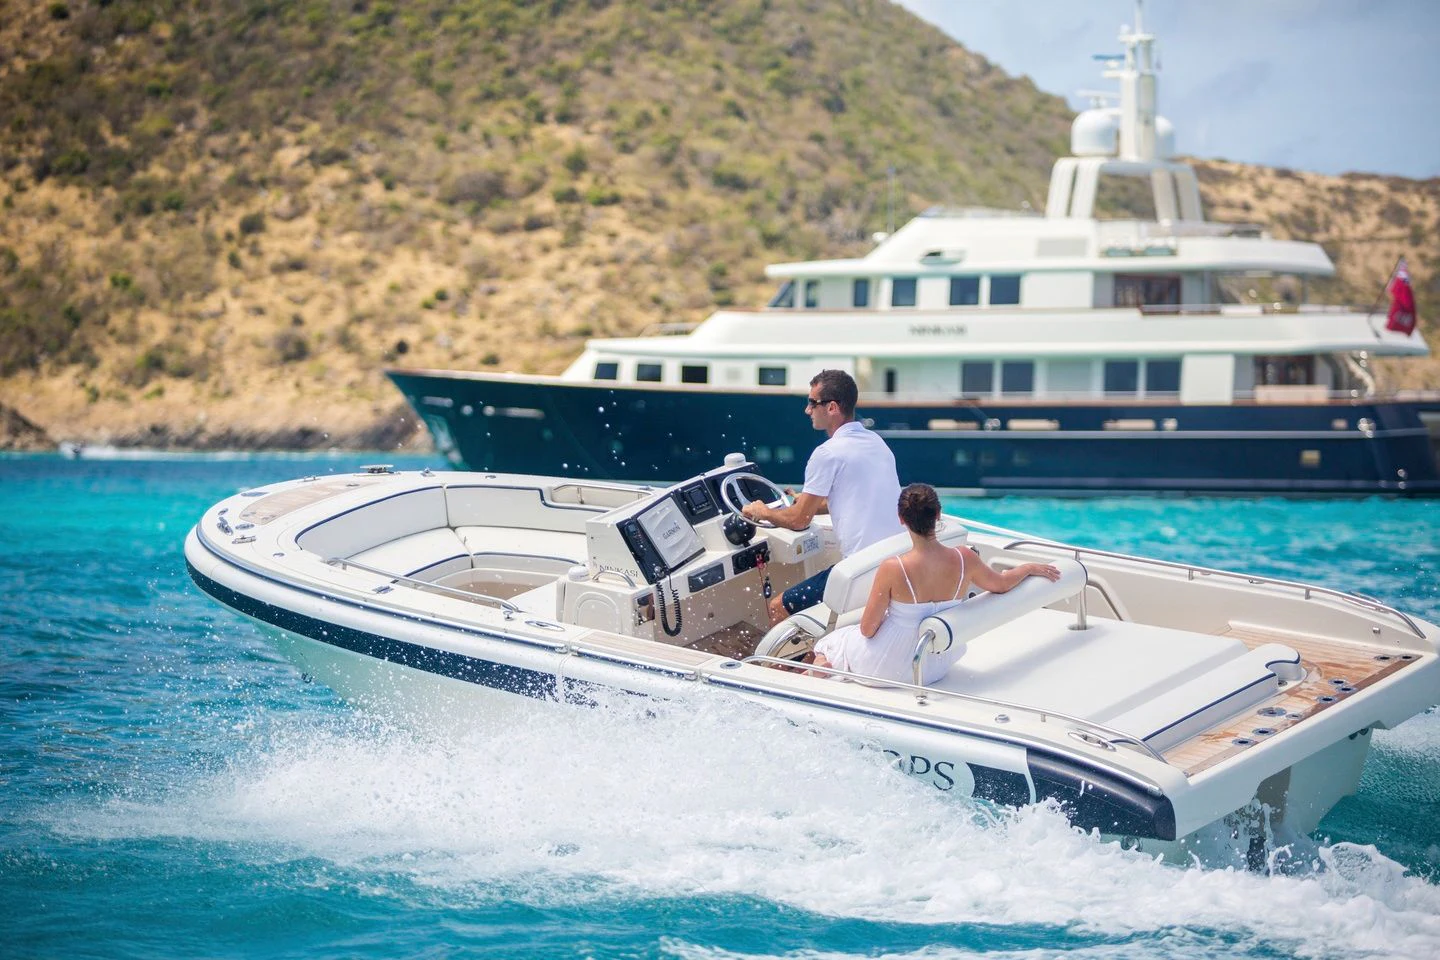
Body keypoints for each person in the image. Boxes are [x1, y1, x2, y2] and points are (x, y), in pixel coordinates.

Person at [810, 483, 1061, 684]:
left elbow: (867, 629)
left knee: (836, 640)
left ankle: (817, 671)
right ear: (938, 515)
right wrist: (1029, 567)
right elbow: (1002, 584)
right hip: (936, 662)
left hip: (888, 666)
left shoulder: (893, 568)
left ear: (901, 519)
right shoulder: (965, 558)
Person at [742, 369, 902, 626]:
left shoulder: (827, 454)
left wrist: (761, 511)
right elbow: (853, 498)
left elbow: (798, 521)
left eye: (812, 403)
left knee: (778, 607)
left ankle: (778, 668)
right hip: (894, 560)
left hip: (862, 570)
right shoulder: (876, 443)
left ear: (832, 408)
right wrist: (807, 502)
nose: (807, 410)